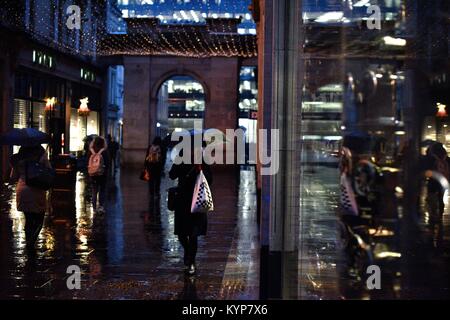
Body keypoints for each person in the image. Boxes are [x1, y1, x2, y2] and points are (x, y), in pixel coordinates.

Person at [169, 144, 212, 275]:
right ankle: (188, 252)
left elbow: (210, 180)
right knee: (181, 234)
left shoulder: (203, 160)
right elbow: (172, 175)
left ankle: (191, 262)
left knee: (193, 234)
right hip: (182, 200)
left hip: (197, 201)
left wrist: (201, 170)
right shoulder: (181, 158)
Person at [9, 145, 52, 250]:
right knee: (39, 219)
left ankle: (29, 242)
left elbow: (13, 177)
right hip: (37, 189)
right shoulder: (41, 153)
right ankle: (32, 241)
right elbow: (48, 170)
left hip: (23, 190)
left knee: (28, 219)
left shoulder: (18, 158)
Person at [88, 136, 109, 214]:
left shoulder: (91, 151)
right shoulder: (104, 151)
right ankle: (100, 206)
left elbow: (87, 162)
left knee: (94, 191)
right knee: (102, 190)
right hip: (102, 174)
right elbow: (107, 163)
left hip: (93, 174)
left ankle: (94, 209)